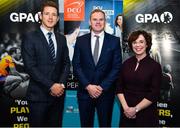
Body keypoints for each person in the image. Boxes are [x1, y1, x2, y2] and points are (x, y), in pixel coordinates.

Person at [21, 1, 70, 127]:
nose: (50, 17)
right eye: (47, 14)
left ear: (58, 18)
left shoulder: (61, 38)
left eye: (54, 14)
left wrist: (61, 85)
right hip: (38, 97)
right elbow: (30, 67)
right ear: (41, 16)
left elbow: (66, 63)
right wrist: (51, 86)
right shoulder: (30, 37)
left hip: (58, 97)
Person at [72, 9, 122, 127]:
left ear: (105, 22)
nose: (98, 22)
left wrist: (101, 87)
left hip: (105, 94)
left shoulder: (114, 41)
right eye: (95, 19)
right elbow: (76, 65)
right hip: (85, 93)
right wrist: (88, 86)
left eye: (101, 19)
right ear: (90, 22)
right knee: (86, 125)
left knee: (105, 125)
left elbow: (116, 67)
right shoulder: (80, 40)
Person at [116, 30, 162, 127]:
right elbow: (119, 87)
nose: (138, 45)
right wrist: (126, 109)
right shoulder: (126, 64)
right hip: (126, 113)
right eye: (134, 42)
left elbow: (154, 93)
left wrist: (135, 109)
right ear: (131, 45)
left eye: (141, 42)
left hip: (146, 114)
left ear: (147, 44)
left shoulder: (155, 66)